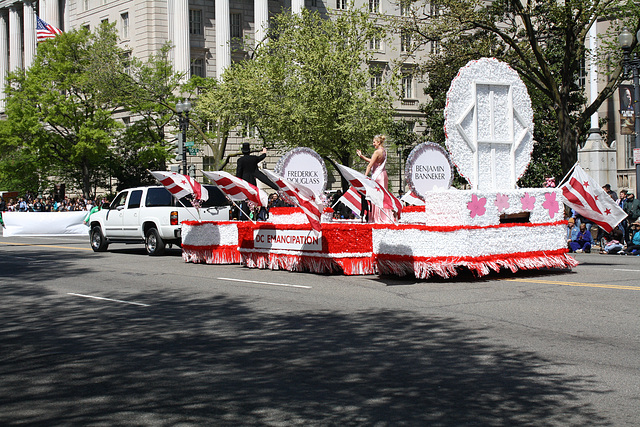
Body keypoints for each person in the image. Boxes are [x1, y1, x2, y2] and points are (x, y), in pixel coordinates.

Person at [356, 134, 393, 223]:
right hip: (383, 175)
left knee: (376, 197)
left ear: (379, 142)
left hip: (377, 176)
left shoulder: (377, 152)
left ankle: (378, 217)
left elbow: (370, 165)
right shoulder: (384, 151)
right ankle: (385, 216)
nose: (373, 144)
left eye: (374, 142)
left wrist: (364, 176)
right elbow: (373, 161)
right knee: (383, 196)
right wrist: (362, 156)